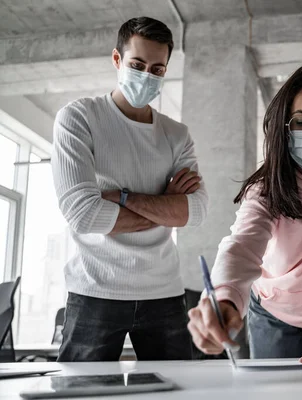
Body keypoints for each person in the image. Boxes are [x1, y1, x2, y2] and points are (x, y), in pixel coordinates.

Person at [187, 62, 302, 363]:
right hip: (273, 313)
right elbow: (242, 246)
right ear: (283, 128)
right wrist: (224, 296)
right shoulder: (266, 186)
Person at [51, 17, 208, 361]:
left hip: (164, 292)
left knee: (177, 391)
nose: (147, 75)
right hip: (95, 290)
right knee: (81, 394)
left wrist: (123, 198)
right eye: (137, 65)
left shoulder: (176, 134)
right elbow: (83, 213)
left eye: (157, 69)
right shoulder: (79, 118)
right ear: (117, 60)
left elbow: (195, 212)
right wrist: (165, 206)